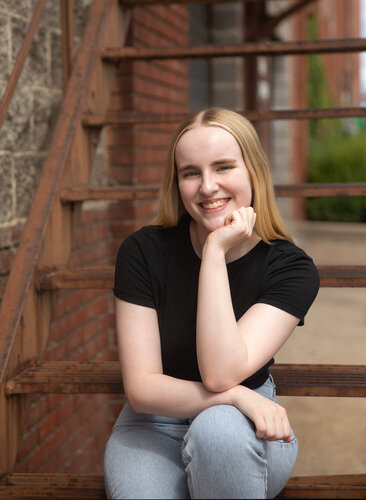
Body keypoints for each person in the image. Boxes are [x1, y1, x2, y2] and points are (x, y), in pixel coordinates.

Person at [104, 107, 320, 499]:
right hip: (154, 426)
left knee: (217, 429)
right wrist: (239, 394)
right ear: (177, 182)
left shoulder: (290, 268)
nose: (207, 187)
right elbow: (141, 389)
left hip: (245, 430)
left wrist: (215, 252)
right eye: (191, 173)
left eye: (223, 167)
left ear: (253, 171)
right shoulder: (142, 251)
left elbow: (220, 372)